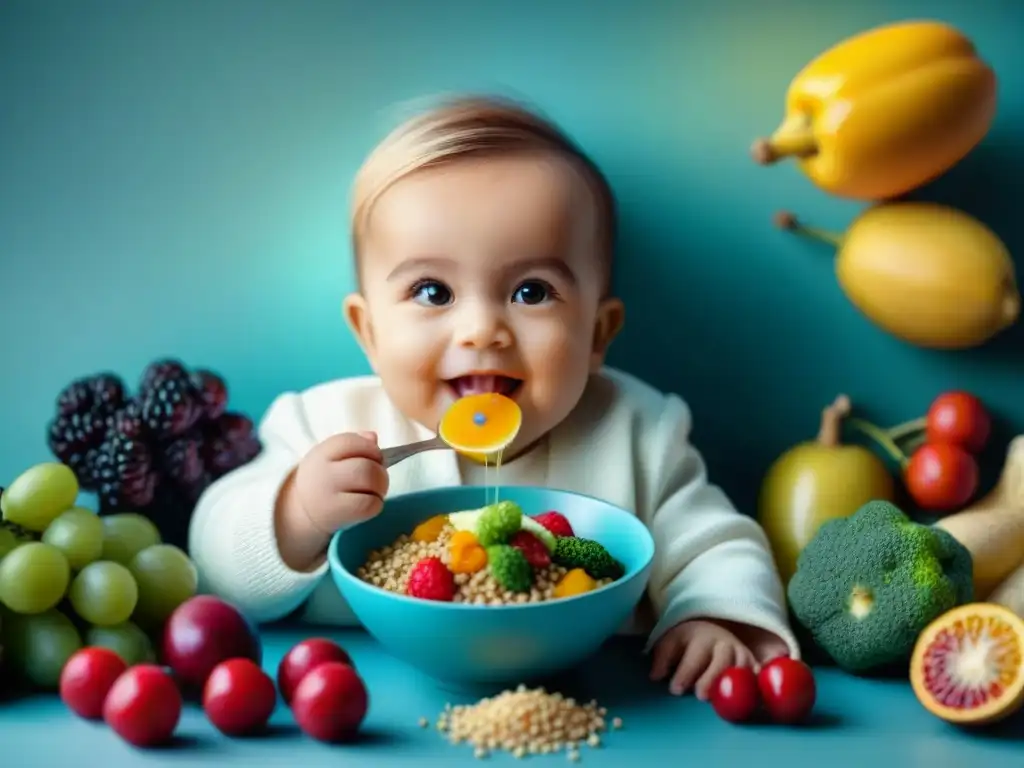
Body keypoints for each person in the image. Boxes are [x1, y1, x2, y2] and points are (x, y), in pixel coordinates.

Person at [189, 94, 799, 700]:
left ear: (596, 334)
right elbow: (215, 563)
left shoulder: (638, 432)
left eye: (532, 292)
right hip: (372, 701)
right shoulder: (325, 424)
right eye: (432, 292)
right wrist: (296, 514)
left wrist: (716, 614)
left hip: (602, 702)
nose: (481, 329)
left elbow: (716, 543)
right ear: (369, 332)